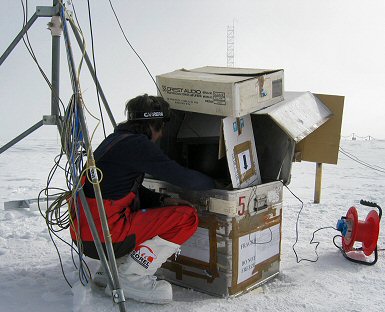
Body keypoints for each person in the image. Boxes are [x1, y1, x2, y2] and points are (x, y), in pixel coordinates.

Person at [70, 94, 215, 304]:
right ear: (155, 125)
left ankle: (112, 268)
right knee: (187, 218)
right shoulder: (138, 145)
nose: (161, 135)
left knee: (139, 210)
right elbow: (184, 178)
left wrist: (162, 200)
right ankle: (132, 276)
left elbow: (130, 190)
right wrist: (217, 184)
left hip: (87, 237)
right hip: (107, 237)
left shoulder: (115, 140)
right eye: (162, 127)